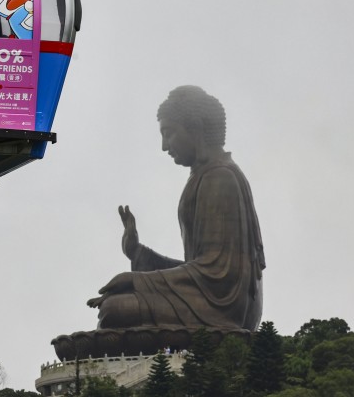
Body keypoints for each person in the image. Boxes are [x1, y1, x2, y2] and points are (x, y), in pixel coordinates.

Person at [86, 86, 265, 331]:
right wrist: (138, 254)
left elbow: (220, 277)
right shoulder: (205, 175)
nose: (163, 145)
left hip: (223, 310)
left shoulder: (220, 178)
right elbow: (200, 270)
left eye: (168, 133)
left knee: (113, 310)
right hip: (208, 300)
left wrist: (137, 280)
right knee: (115, 307)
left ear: (196, 128)